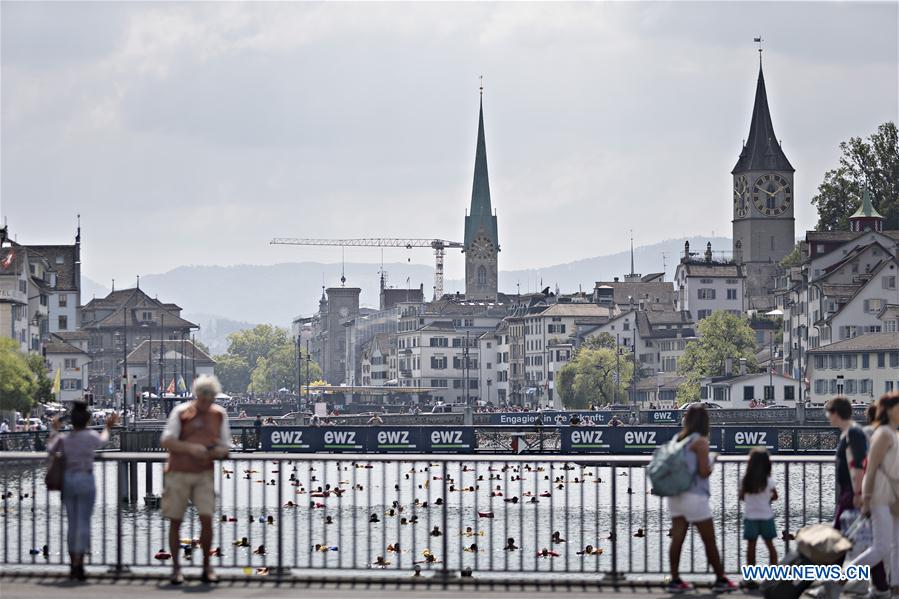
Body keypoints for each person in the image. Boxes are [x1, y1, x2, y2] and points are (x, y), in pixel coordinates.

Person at [160, 375, 231, 585]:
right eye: (203, 396)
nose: (207, 400)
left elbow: (226, 447)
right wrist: (192, 448)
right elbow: (166, 440)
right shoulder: (181, 412)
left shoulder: (219, 414)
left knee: (207, 519)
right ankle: (176, 569)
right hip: (178, 471)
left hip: (204, 473)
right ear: (197, 394)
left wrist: (214, 452)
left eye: (211, 396)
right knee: (175, 520)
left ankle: (207, 567)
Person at [666, 404, 736, 594]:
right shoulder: (701, 441)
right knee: (709, 540)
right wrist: (712, 460)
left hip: (675, 495)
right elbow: (704, 472)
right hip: (694, 496)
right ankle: (720, 579)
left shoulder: (678, 438)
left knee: (677, 539)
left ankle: (674, 580)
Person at [47, 403, 119, 581]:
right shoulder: (90, 436)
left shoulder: (65, 439)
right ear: (88, 420)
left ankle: (73, 563)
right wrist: (107, 427)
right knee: (84, 522)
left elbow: (50, 449)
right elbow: (103, 440)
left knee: (72, 523)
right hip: (86, 479)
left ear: (71, 422)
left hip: (69, 480)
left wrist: (55, 430)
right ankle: (81, 563)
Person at [848, 392, 899, 598]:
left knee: (895, 547)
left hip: (892, 499)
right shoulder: (884, 434)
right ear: (889, 410)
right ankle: (838, 577)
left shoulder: (892, 434)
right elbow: (871, 468)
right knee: (882, 548)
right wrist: (866, 499)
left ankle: (896, 589)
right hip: (880, 497)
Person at [739, 448, 778, 588]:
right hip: (767, 516)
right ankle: (773, 576)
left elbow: (742, 496)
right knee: (771, 546)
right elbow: (775, 496)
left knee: (751, 547)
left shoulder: (745, 480)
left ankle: (750, 578)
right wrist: (767, 499)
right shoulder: (768, 481)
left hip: (750, 517)